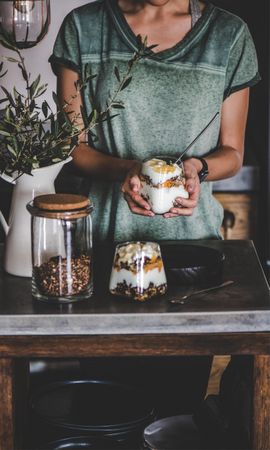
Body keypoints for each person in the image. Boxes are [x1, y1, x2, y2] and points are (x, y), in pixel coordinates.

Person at [49, 0, 260, 422]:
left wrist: (199, 169)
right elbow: (72, 148)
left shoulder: (229, 35)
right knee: (104, 408)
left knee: (177, 414)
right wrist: (126, 169)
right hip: (106, 245)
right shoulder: (85, 28)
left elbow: (232, 152)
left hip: (191, 259)